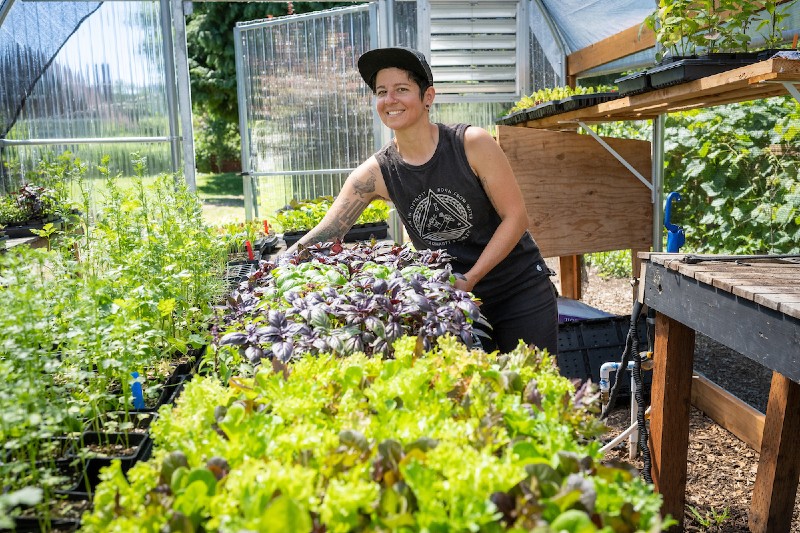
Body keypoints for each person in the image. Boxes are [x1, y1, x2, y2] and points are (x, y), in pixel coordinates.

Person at [285, 46, 558, 355]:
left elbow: (516, 218)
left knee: (534, 386)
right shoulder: (378, 173)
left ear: (428, 96)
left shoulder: (470, 144)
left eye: (402, 89)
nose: (390, 100)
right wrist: (276, 267)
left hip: (516, 288)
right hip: (448, 299)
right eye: (382, 91)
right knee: (467, 394)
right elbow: (327, 233)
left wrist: (470, 278)